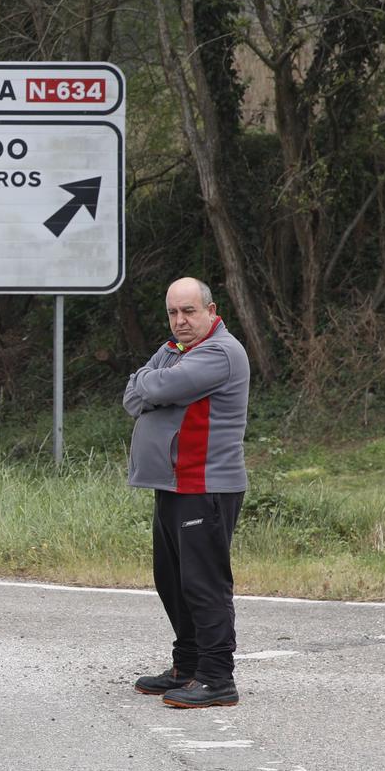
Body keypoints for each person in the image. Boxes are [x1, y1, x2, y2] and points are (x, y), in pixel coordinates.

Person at [123, 278, 250, 709]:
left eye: (189, 311)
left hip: (205, 485)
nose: (181, 321)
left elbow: (154, 389)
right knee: (172, 582)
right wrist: (155, 383)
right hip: (173, 484)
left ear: (211, 310)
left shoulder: (221, 352)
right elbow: (131, 395)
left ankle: (217, 678)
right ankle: (188, 664)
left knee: (204, 584)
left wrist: (156, 384)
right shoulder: (175, 351)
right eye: (173, 313)